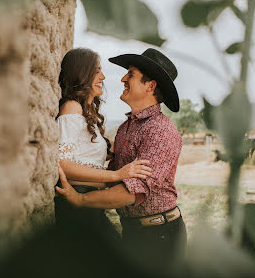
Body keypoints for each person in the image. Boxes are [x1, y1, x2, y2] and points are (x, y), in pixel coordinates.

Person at [56, 48, 187, 266]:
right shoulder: (126, 128)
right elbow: (111, 175)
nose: (122, 78)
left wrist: (80, 199)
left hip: (160, 234)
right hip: (132, 229)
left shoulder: (160, 130)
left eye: (131, 75)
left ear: (150, 86)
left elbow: (132, 192)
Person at [55, 48, 153, 235]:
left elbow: (83, 155)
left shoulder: (86, 113)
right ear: (81, 73)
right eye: (97, 71)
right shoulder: (72, 108)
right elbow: (62, 163)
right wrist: (117, 175)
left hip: (90, 203)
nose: (103, 77)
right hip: (76, 201)